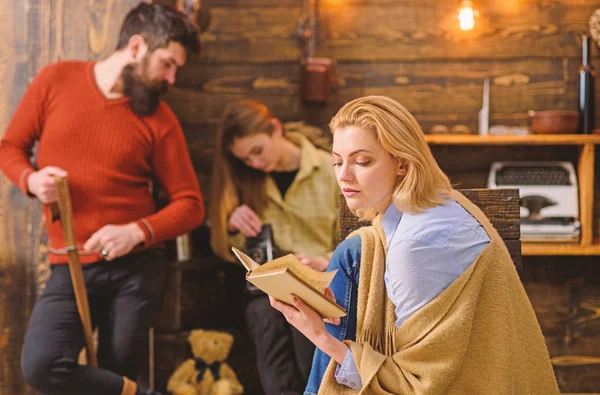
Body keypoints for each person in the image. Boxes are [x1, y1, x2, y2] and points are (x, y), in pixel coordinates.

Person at [270, 96, 560, 394]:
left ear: (403, 163)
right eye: (337, 161)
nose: (343, 175)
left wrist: (318, 335)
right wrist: (324, 265)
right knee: (352, 252)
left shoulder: (416, 247)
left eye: (362, 161)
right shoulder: (435, 201)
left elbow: (414, 387)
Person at [0, 4, 204, 395]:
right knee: (41, 365)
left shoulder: (159, 118)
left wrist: (135, 231)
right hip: (70, 262)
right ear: (137, 45)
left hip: (136, 270)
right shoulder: (55, 80)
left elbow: (191, 204)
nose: (172, 78)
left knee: (115, 374)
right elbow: (9, 147)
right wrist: (31, 179)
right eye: (167, 64)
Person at [210, 100, 339, 395]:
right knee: (266, 319)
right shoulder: (245, 180)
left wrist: (323, 261)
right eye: (245, 159)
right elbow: (222, 249)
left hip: (322, 285)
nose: (254, 163)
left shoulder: (329, 170)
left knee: (306, 327)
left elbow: (356, 238)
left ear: (275, 129)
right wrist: (231, 225)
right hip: (266, 292)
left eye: (257, 151)